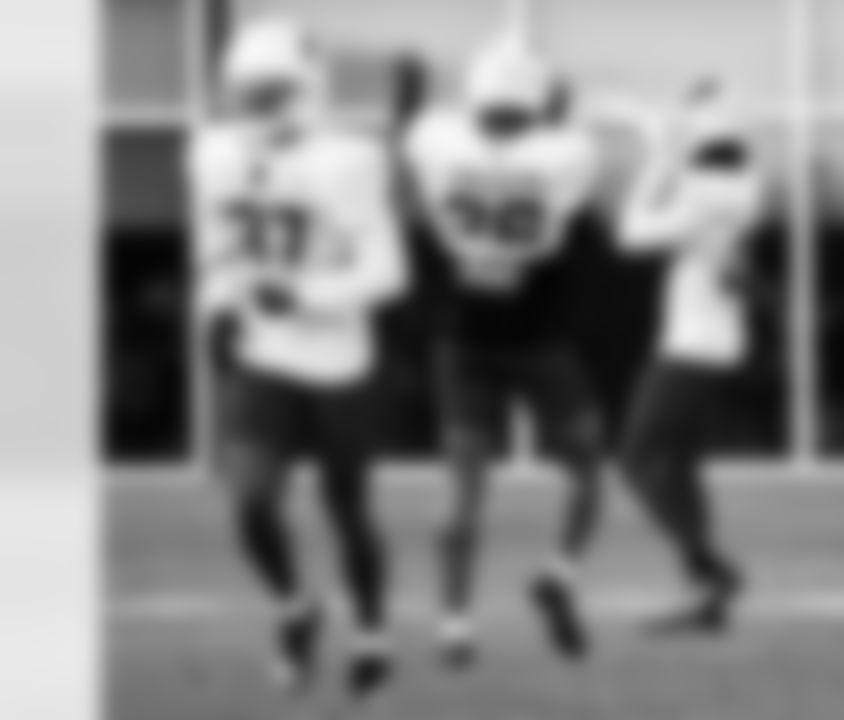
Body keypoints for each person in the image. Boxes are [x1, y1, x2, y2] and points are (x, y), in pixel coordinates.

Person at [188, 18, 407, 697]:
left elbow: (389, 273)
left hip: (340, 360)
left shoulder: (347, 159)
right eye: (248, 93)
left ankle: (371, 631)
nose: (257, 106)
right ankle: (295, 609)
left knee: (348, 508)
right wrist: (216, 303)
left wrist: (306, 296)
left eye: (271, 91)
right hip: (264, 353)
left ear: (307, 88)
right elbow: (220, 249)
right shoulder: (214, 154)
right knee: (251, 502)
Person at [401, 33, 605, 667]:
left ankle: (454, 626)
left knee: (463, 487)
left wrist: (409, 99)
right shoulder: (566, 153)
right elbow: (561, 137)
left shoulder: (436, 142)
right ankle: (559, 573)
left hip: (464, 336)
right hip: (540, 337)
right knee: (588, 467)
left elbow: (416, 139)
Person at [614, 83, 764, 634]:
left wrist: (658, 152)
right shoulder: (743, 183)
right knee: (678, 468)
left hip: (691, 346)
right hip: (713, 341)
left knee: (635, 460)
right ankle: (706, 600)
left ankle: (711, 569)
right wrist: (667, 145)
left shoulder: (705, 191)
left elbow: (630, 232)